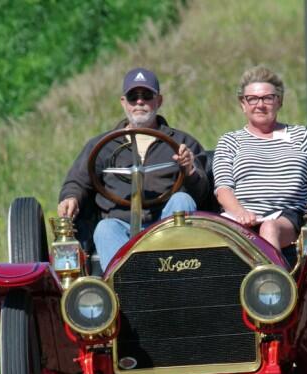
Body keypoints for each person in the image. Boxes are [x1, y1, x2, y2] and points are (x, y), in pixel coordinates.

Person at [57, 67, 210, 270]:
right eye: (133, 97)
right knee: (104, 228)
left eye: (146, 96)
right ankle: (126, 287)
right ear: (124, 102)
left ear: (159, 101)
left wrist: (189, 171)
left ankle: (173, 273)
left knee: (182, 200)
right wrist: (71, 198)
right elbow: (78, 180)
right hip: (121, 223)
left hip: (164, 221)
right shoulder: (102, 146)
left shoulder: (182, 142)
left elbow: (203, 193)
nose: (140, 102)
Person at [212, 66, 307, 250]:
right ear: (243, 104)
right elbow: (223, 189)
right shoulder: (230, 141)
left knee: (269, 228)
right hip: (240, 217)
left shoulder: (302, 136)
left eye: (268, 98)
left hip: (286, 217)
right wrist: (240, 213)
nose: (260, 105)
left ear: (279, 101)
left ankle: (272, 279)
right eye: (252, 99)